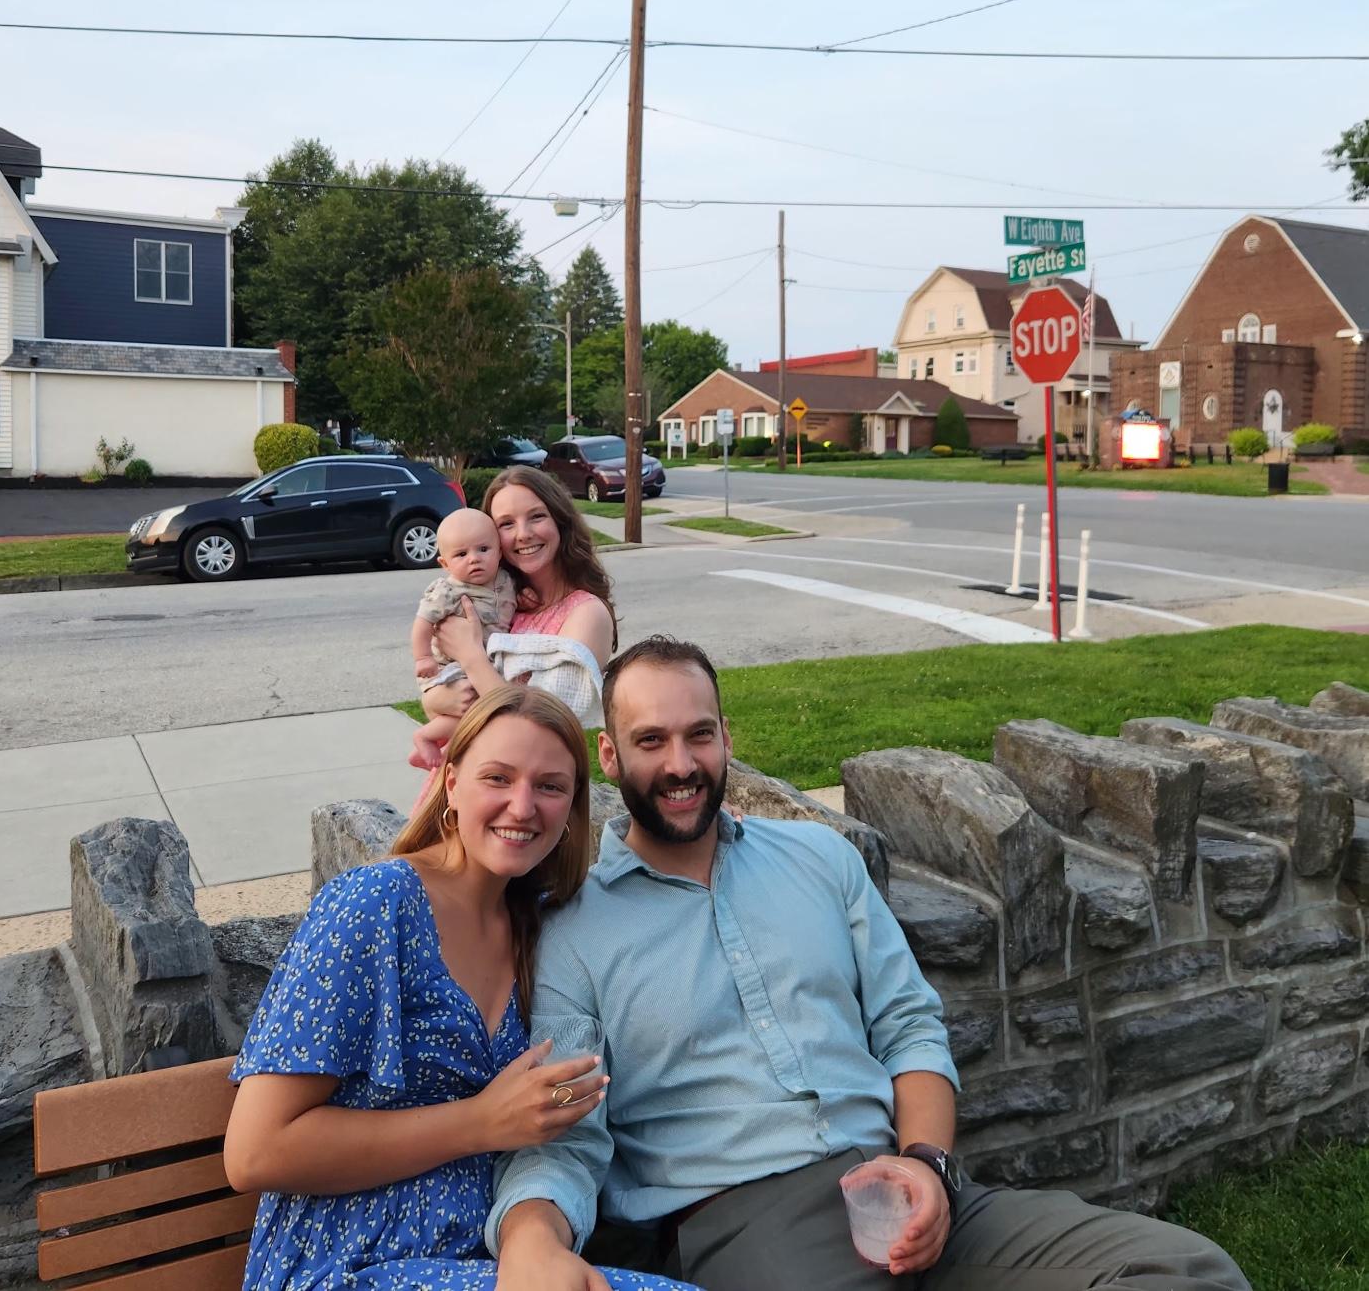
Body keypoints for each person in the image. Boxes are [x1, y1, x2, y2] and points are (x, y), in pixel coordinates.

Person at [487, 637, 1253, 1291]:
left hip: (916, 1191)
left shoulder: (820, 857)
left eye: (700, 735)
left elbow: (908, 1024)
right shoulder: (575, 927)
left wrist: (928, 1166)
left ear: (727, 736)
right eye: (652, 741)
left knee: (1185, 1270)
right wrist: (529, 1241)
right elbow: (565, 1135)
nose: (682, 764)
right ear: (611, 756)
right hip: (749, 1222)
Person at [224, 683, 696, 1291]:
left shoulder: (536, 926)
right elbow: (256, 1151)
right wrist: (480, 1122)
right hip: (350, 1262)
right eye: (497, 778)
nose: (523, 807)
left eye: (550, 786)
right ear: (451, 785)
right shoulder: (375, 906)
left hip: (487, 1264)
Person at [422, 467, 617, 735]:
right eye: (506, 524)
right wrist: (435, 699)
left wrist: (471, 657)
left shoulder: (586, 614)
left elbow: (542, 732)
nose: (523, 533)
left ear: (560, 521)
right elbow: (442, 695)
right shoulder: (505, 600)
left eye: (536, 516)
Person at [409, 509, 519, 771]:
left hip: (479, 663)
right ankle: (425, 737)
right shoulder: (447, 591)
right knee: (475, 712)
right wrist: (423, 657)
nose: (474, 560)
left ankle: (444, 749)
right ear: (445, 564)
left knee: (479, 718)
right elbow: (422, 623)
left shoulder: (504, 580)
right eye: (461, 554)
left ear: (499, 551)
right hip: (449, 668)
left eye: (483, 549)